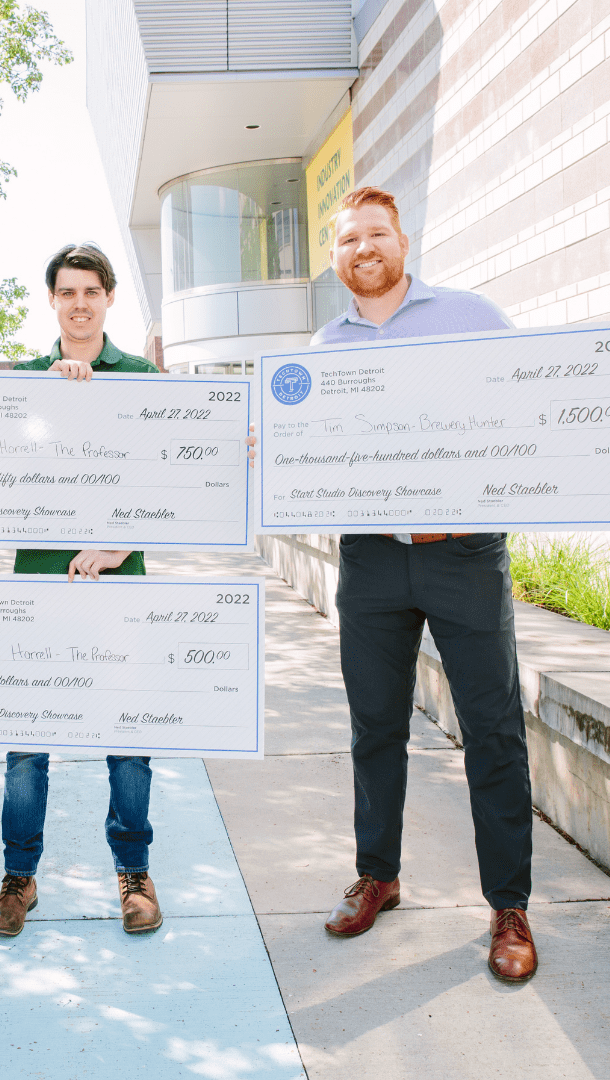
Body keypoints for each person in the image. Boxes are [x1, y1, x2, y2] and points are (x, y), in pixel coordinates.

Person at [251, 186, 536, 982]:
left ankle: (508, 907)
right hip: (371, 558)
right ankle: (379, 873)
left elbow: (529, 410)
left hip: (462, 553)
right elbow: (300, 450)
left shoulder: (470, 317)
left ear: (403, 243)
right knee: (374, 726)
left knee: (493, 728)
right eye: (349, 240)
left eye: (377, 234)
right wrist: (259, 447)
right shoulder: (319, 348)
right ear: (335, 258)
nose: (364, 248)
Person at [0, 244, 163, 938]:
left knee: (128, 741)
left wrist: (120, 542)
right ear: (52, 301)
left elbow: (168, 480)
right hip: (39, 589)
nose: (80, 303)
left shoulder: (143, 377)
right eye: (68, 292)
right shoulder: (25, 381)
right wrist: (51, 403)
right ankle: (19, 879)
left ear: (109, 299)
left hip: (121, 591)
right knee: (27, 746)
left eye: (92, 291)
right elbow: (0, 476)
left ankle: (134, 874)